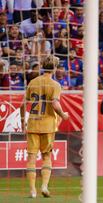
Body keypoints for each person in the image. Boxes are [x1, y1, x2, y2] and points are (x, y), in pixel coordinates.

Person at [20, 55, 69, 198]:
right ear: (54, 68)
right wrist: (62, 114)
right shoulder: (55, 85)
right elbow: (55, 103)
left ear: (42, 66)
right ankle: (44, 186)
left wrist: (23, 121)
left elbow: (23, 105)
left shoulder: (33, 82)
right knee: (46, 155)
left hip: (33, 123)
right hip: (48, 125)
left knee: (31, 157)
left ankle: (32, 191)